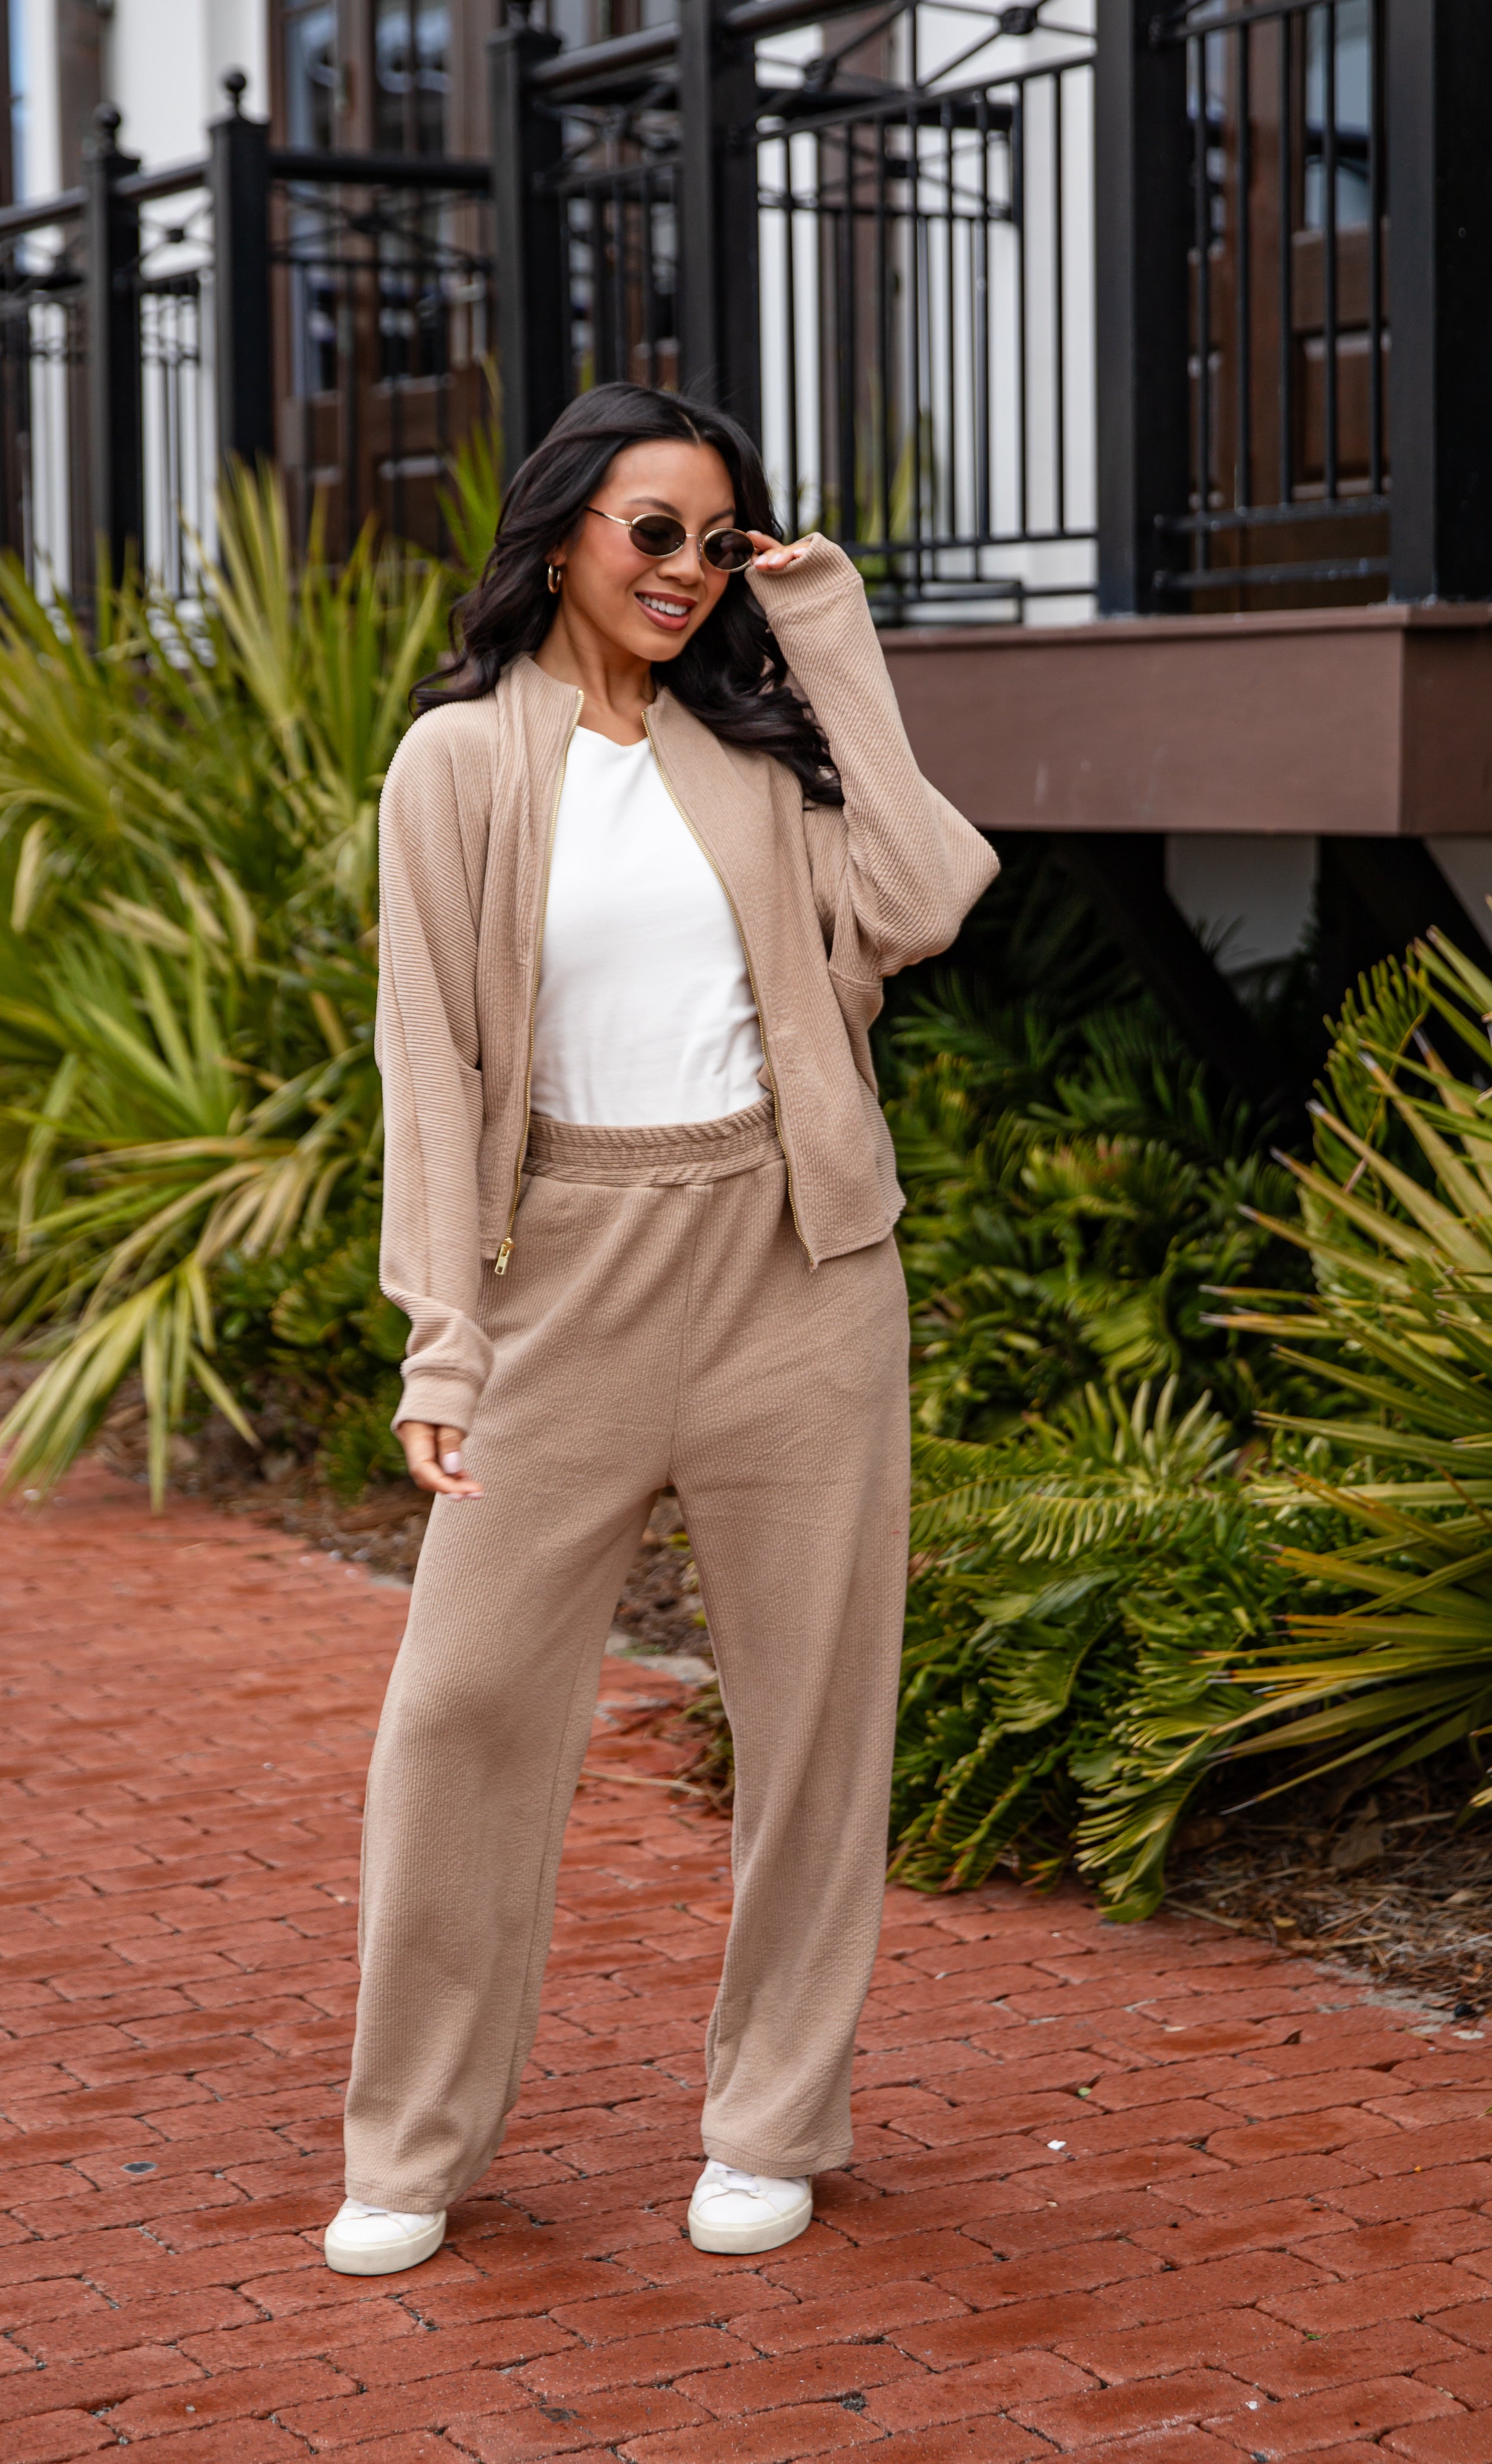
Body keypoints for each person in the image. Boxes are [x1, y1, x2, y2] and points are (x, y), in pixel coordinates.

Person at [324, 381, 998, 2278]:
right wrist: (439, 1340)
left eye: (718, 541)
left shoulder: (756, 757)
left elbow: (928, 897)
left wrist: (831, 641)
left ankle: (774, 2116)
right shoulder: (456, 762)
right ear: (562, 540)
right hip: (571, 1275)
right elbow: (430, 1076)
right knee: (459, 1711)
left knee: (813, 1722)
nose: (687, 572)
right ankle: (412, 2138)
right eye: (653, 532)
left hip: (798, 1270)